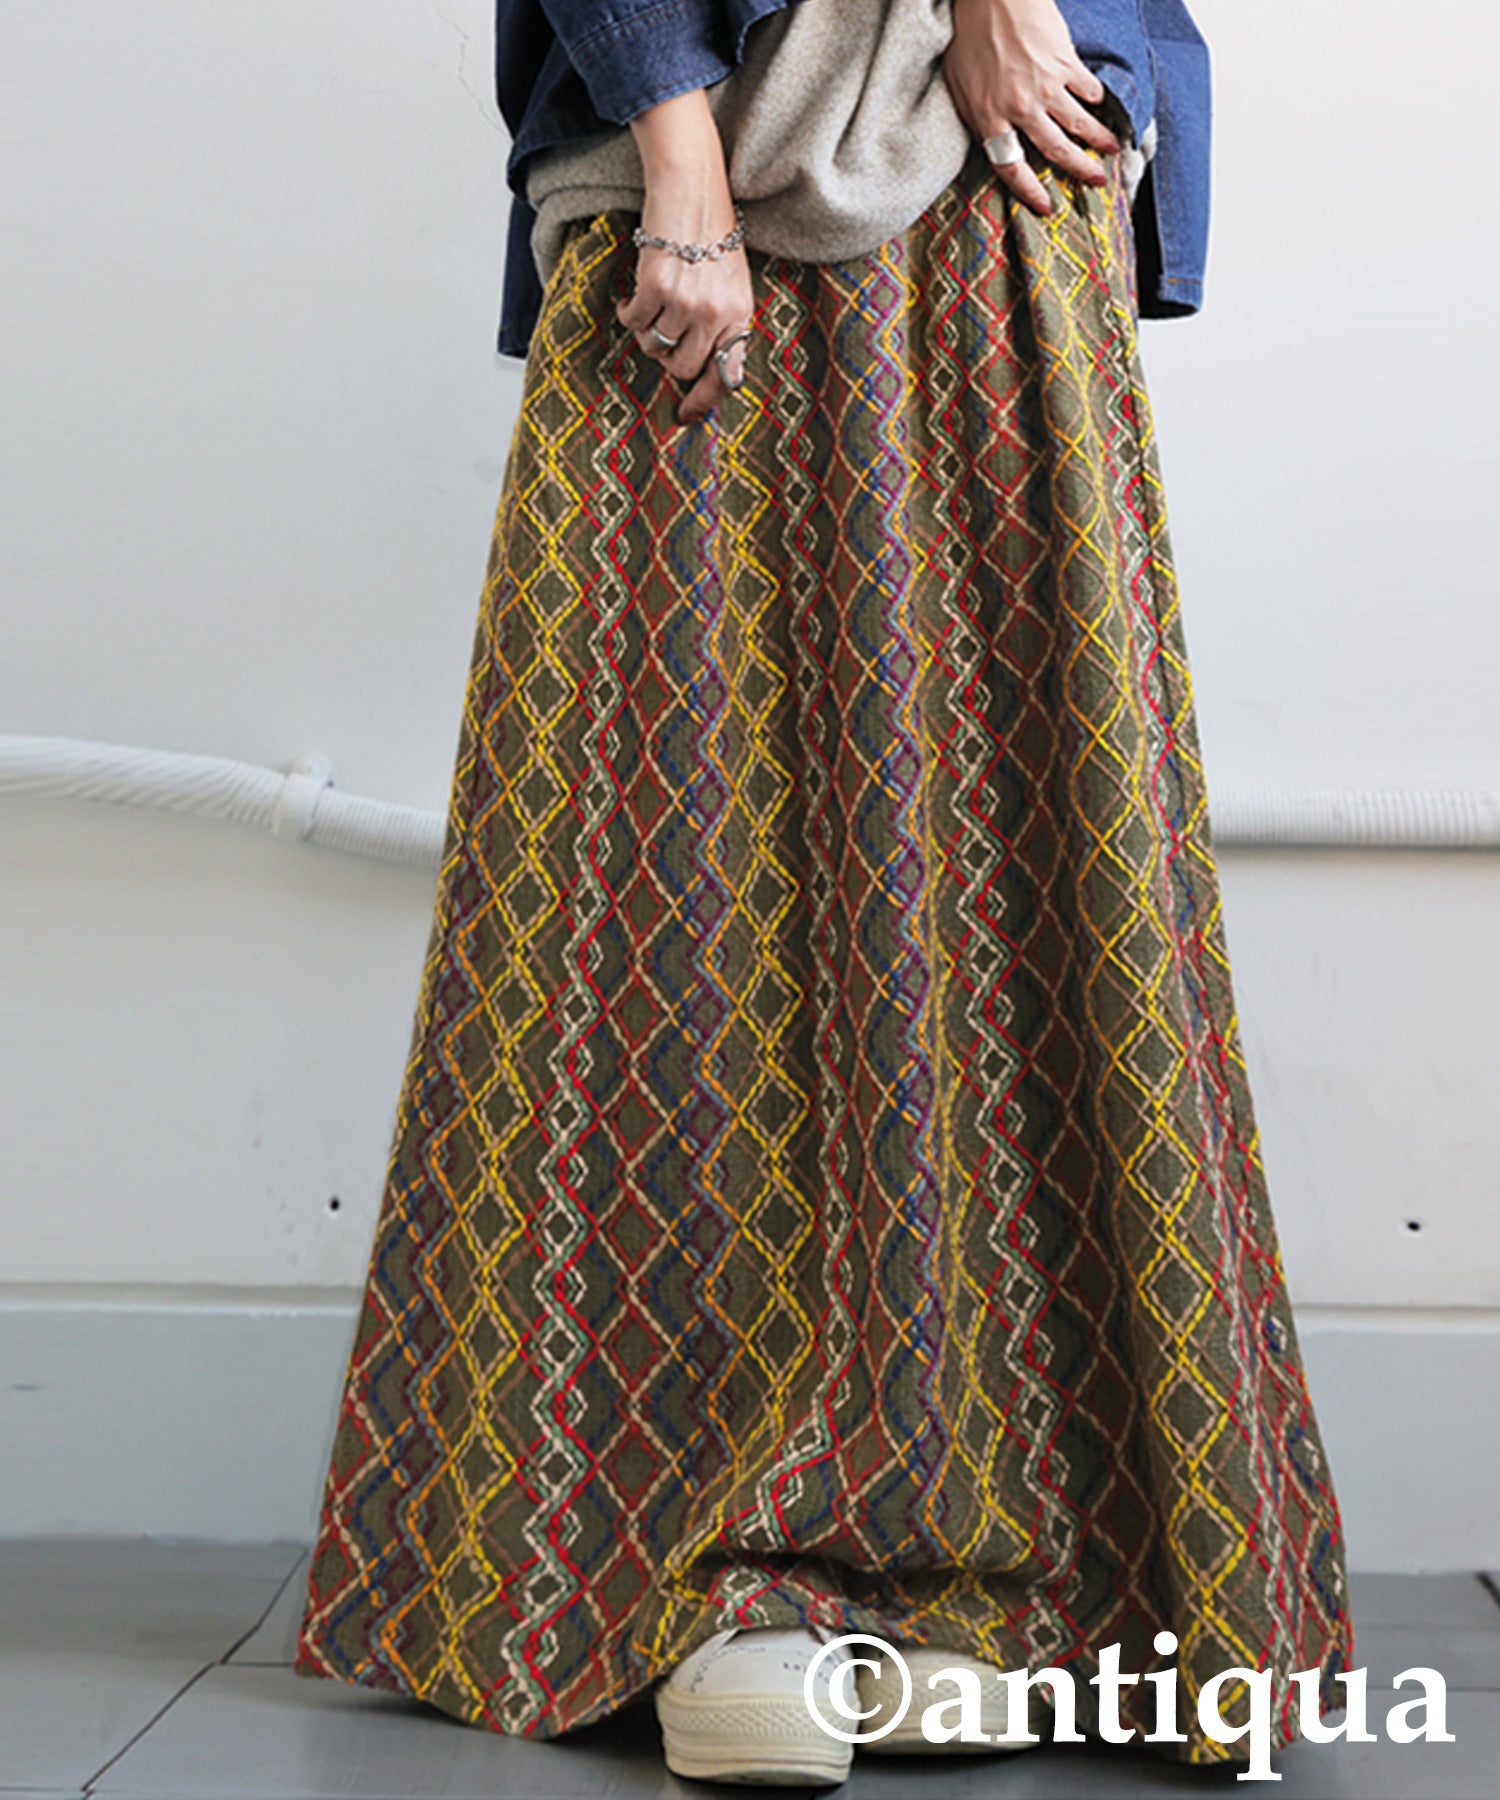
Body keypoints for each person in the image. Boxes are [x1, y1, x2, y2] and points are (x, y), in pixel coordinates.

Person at [294, 0, 1354, 1787]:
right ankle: (698, 1574)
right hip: (696, 190)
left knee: (1018, 885)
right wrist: (680, 158)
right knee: (660, 890)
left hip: (999, 162)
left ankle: (1007, 1572)